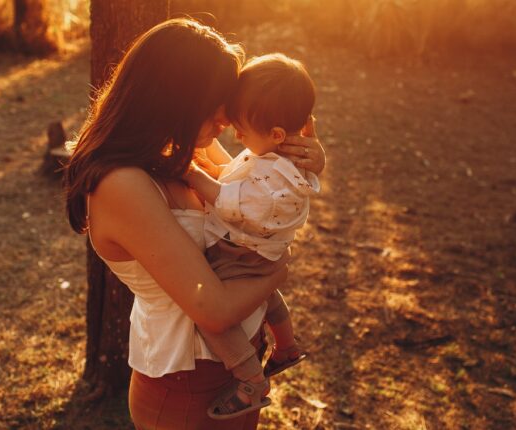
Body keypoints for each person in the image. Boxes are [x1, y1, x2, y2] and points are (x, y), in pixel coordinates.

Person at [64, 18, 325, 430]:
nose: (226, 117)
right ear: (175, 99)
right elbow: (214, 309)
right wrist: (278, 268)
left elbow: (261, 199)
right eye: (217, 104)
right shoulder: (122, 184)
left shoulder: (189, 145)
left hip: (236, 369)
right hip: (187, 387)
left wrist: (304, 156)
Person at [183, 53, 319, 420]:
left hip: (239, 254)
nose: (235, 134)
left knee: (212, 317)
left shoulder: (277, 177)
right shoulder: (277, 157)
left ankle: (249, 380)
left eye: (241, 129)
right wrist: (216, 171)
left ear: (276, 134)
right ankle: (287, 346)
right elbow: (238, 176)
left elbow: (235, 203)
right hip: (262, 255)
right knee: (267, 294)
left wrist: (196, 177)